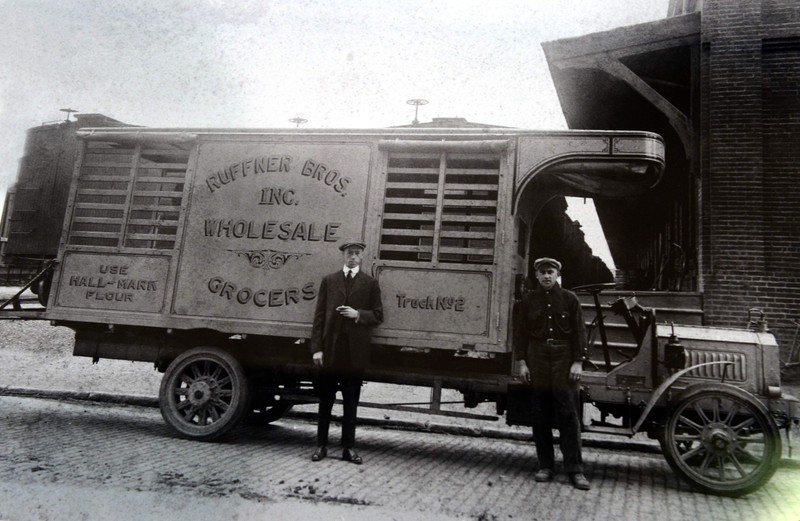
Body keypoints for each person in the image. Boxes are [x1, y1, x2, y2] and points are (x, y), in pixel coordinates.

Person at [515, 257, 590, 490]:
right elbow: (521, 334)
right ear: (536, 276)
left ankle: (575, 469)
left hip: (563, 357)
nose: (546, 276)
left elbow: (579, 331)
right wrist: (522, 363)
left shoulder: (570, 299)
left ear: (557, 274)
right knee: (540, 413)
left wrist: (578, 362)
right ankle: (545, 466)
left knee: (568, 413)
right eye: (542, 272)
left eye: (551, 272)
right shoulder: (528, 301)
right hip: (537, 356)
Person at [310, 239, 383, 464]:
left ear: (362, 257)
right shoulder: (329, 281)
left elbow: (379, 315)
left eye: (357, 253)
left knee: (351, 403)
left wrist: (358, 315)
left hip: (354, 354)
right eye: (349, 253)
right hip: (331, 352)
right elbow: (319, 318)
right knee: (326, 401)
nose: (353, 257)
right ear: (343, 256)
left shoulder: (370, 283)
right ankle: (321, 446)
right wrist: (317, 350)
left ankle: (348, 449)